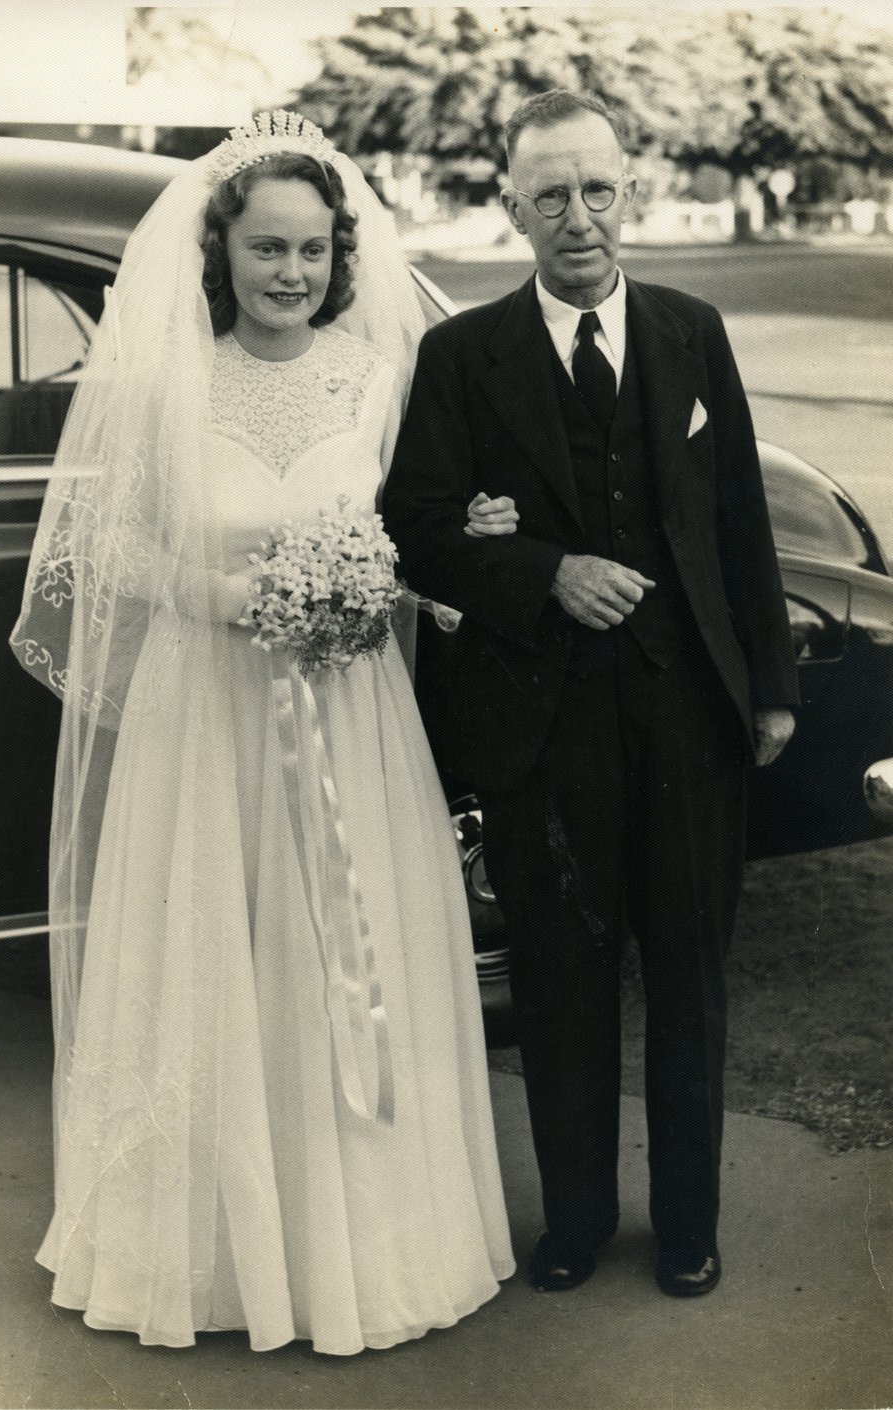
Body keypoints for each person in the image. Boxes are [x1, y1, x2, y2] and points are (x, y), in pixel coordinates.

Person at [10, 110, 514, 1354]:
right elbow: (107, 547)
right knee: (216, 953)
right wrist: (229, 595)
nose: (288, 274)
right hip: (211, 716)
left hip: (349, 712)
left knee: (346, 951)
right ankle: (218, 1257)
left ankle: (362, 1247)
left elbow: (421, 520)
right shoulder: (167, 380)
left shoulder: (374, 375)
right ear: (220, 255)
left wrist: (394, 570)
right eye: (263, 251)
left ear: (339, 257)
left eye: (308, 252)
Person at [383, 89, 799, 1299]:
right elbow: (414, 527)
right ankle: (571, 1224)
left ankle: (686, 1228)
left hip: (687, 722)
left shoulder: (690, 331)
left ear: (636, 191)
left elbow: (737, 526)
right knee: (562, 983)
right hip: (539, 724)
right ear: (511, 206)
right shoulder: (461, 355)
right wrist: (543, 573)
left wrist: (766, 690)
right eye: (550, 195)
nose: (579, 219)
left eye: (598, 189)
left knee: (688, 976)